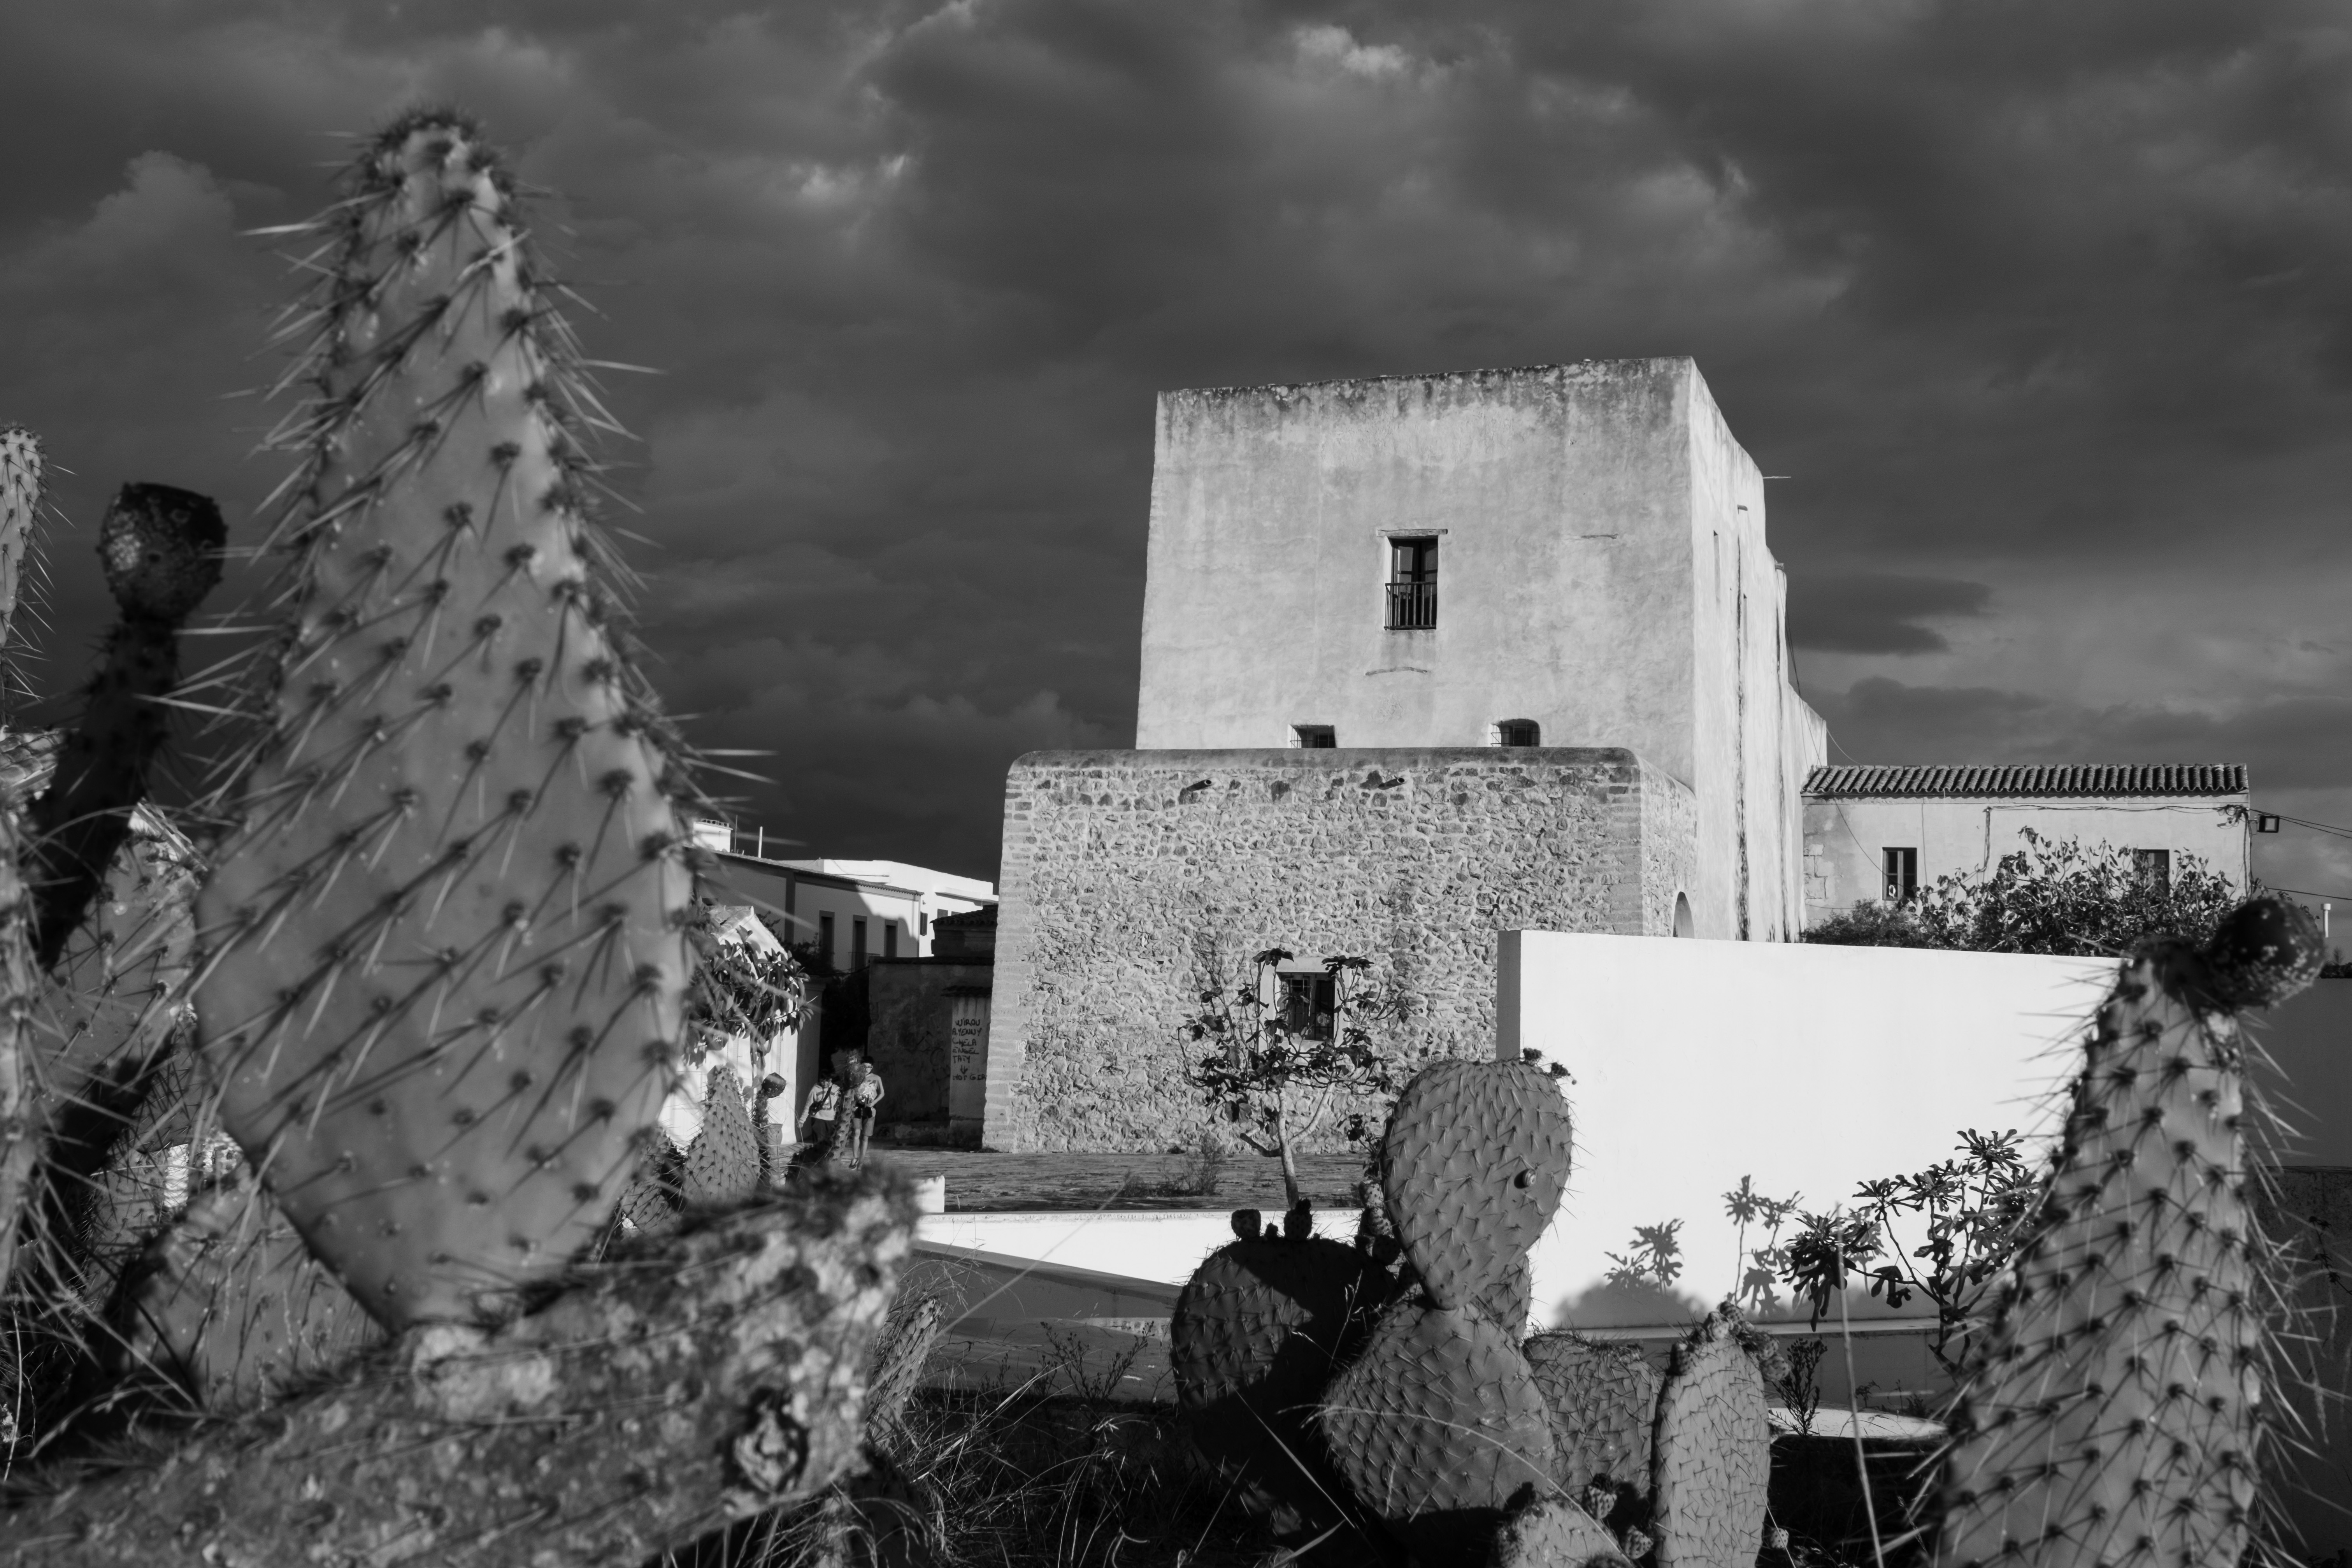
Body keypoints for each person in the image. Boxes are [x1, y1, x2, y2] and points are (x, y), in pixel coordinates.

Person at [843, 1053, 885, 1168]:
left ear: (873, 1067)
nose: (867, 1069)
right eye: (865, 1067)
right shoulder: (857, 1077)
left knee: (865, 1137)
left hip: (870, 1109)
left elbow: (882, 1093)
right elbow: (851, 1091)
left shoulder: (877, 1079)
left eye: (869, 1067)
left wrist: (874, 1103)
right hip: (857, 1107)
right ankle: (855, 1158)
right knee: (857, 1132)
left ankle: (861, 1162)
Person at [799, 1064, 844, 1166]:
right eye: (823, 1081)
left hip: (831, 1121)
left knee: (830, 1143)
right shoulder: (815, 1089)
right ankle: (817, 1164)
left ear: (831, 1079)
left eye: (827, 1081)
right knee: (818, 1143)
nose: (825, 1083)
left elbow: (842, 1103)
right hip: (818, 1120)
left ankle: (827, 1163)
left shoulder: (836, 1089)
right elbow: (808, 1105)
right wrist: (802, 1120)